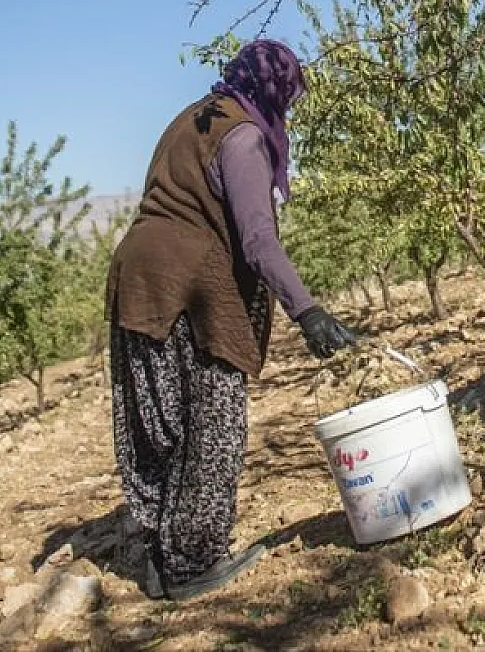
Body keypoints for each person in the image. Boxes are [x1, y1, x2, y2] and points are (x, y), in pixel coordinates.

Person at [105, 40, 359, 601]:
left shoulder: (190, 119)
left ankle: (160, 556)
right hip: (193, 282)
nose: (285, 112)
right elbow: (257, 241)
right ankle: (193, 561)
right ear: (275, 91)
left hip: (137, 276)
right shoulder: (242, 137)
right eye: (286, 99)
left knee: (159, 422)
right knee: (211, 421)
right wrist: (308, 312)